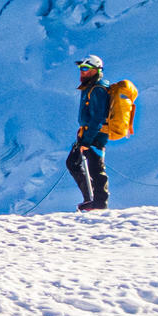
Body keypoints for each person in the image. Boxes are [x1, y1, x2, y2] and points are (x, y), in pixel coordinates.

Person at [68, 55, 112, 211]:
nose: (82, 72)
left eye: (86, 69)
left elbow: (98, 118)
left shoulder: (98, 89)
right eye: (81, 68)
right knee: (75, 162)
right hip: (89, 134)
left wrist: (87, 141)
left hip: (95, 134)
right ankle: (92, 199)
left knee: (96, 168)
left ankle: (99, 203)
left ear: (96, 70)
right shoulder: (91, 87)